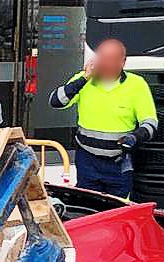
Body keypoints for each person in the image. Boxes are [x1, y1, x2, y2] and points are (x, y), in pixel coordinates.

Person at [49, 38, 157, 198]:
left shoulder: (136, 85)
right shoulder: (83, 80)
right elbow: (55, 101)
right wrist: (84, 79)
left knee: (116, 210)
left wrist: (135, 137)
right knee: (88, 208)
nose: (106, 64)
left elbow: (150, 122)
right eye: (103, 58)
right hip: (88, 160)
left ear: (123, 62)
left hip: (118, 163)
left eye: (112, 59)